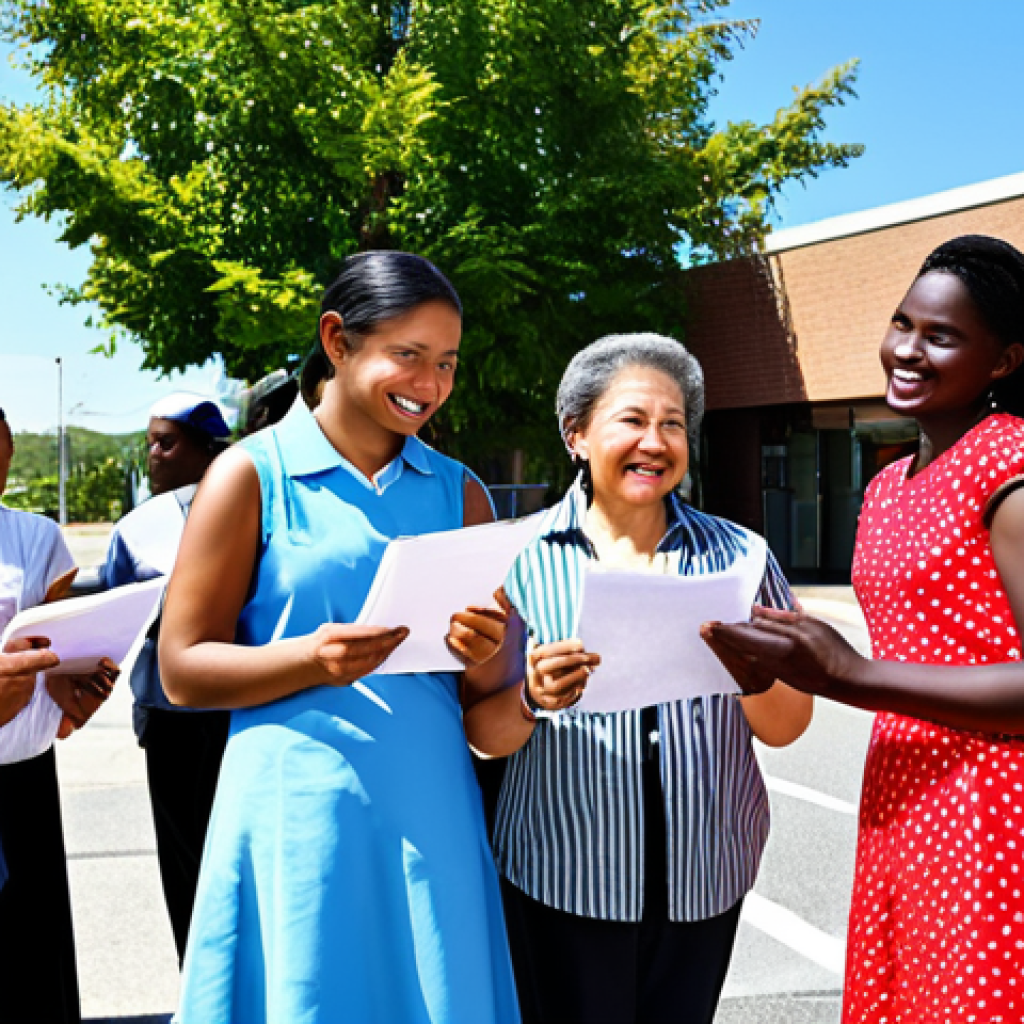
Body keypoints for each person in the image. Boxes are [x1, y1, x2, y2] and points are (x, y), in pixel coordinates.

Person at [159, 251, 521, 1024]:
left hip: (434, 814)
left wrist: (492, 656)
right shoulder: (250, 475)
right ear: (337, 341)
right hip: (296, 813)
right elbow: (182, 668)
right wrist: (309, 659)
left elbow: (488, 706)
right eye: (408, 356)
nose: (429, 384)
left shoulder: (462, 492)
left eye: (447, 363)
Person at [702, 235, 1024, 1024]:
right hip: (901, 799)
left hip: (992, 813)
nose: (907, 351)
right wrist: (767, 664)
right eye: (902, 323)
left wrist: (851, 676)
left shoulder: (1010, 466)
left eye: (941, 336)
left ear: (1004, 361)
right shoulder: (885, 485)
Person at [463, 334, 812, 1024]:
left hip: (705, 877)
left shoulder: (742, 556)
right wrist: (533, 697)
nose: (655, 441)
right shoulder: (516, 559)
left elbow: (788, 726)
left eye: (674, 423)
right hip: (562, 878)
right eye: (631, 419)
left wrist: (751, 678)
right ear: (576, 434)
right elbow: (482, 734)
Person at [99, 393, 232, 965]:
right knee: (184, 863)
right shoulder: (135, 528)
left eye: (167, 443)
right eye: (150, 442)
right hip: (171, 719)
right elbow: (110, 617)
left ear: (208, 448)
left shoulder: (259, 507)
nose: (154, 455)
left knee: (234, 859)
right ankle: (202, 982)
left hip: (242, 709)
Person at [0, 407, 117, 1024]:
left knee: (31, 968)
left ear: (10, 448)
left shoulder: (36, 538)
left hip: (22, 780)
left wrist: (75, 700)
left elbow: (57, 668)